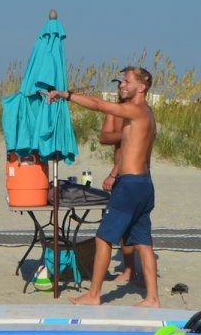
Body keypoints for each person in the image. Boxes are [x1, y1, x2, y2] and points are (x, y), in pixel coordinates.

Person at [45, 65, 159, 306]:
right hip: (145, 184)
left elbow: (97, 105)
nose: (122, 85)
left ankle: (94, 295)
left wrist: (67, 95)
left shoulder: (134, 110)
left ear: (142, 87)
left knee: (103, 238)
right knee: (144, 243)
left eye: (127, 81)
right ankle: (152, 298)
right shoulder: (148, 113)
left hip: (129, 186)